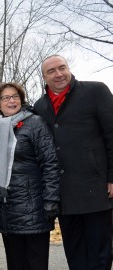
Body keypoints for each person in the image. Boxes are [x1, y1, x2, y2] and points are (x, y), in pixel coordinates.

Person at [34, 54, 113, 270]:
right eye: (51, 71)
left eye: (62, 68)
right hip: (65, 196)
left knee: (100, 254)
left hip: (96, 190)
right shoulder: (40, 106)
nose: (59, 74)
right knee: (75, 254)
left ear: (69, 68)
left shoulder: (96, 91)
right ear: (44, 77)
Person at [0, 82, 61, 270]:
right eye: (6, 98)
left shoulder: (35, 123)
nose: (11, 101)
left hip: (33, 208)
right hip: (6, 209)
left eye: (15, 96)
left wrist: (51, 199)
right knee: (15, 264)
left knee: (36, 264)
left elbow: (50, 163)